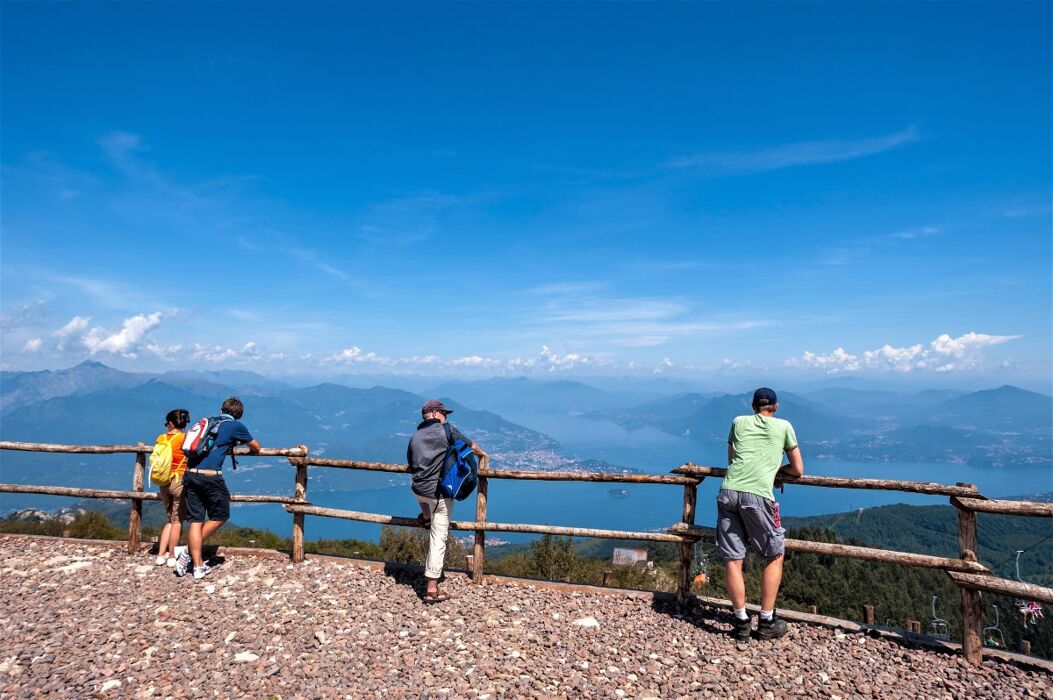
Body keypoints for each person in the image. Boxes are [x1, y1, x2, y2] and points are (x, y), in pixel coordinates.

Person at [717, 387, 804, 641]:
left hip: (729, 491)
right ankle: (766, 621)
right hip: (758, 496)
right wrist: (777, 472)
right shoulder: (784, 426)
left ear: (753, 406)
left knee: (733, 558)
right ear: (775, 407)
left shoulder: (738, 422)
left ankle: (741, 620)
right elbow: (798, 469)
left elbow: (733, 460)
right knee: (774, 554)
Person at [406, 399, 487, 603]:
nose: (446, 417)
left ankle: (425, 516)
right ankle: (431, 589)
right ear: (434, 414)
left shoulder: (415, 436)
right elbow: (472, 446)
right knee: (438, 537)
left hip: (418, 490)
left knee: (427, 507)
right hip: (437, 494)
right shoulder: (446, 430)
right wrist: (483, 456)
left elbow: (411, 463)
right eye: (444, 413)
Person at [176, 396, 260, 580]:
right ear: (239, 414)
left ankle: (197, 566)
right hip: (210, 477)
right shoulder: (235, 426)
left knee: (196, 520)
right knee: (221, 515)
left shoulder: (207, 422)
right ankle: (189, 551)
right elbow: (256, 447)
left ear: (222, 409)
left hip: (190, 474)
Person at [155, 408, 190, 567]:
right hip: (179, 480)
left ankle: (160, 555)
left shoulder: (161, 438)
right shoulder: (185, 439)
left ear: (170, 424)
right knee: (177, 521)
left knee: (169, 519)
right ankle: (171, 556)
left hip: (163, 481)